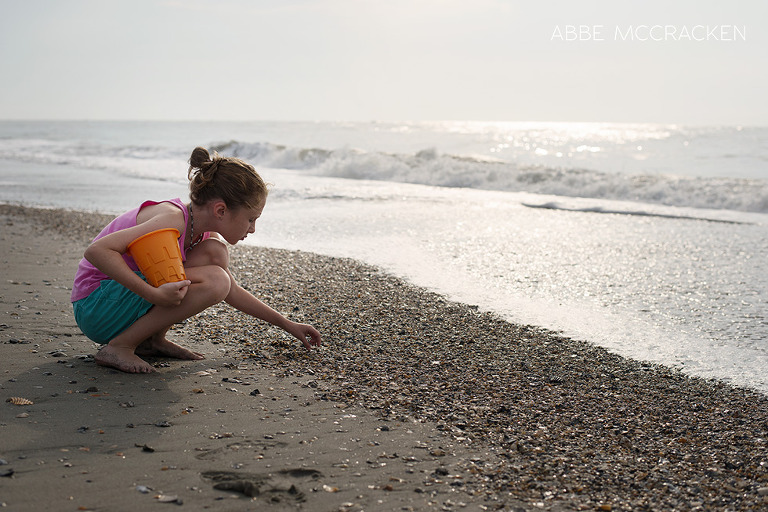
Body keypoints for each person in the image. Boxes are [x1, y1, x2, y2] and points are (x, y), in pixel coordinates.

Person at [71, 147, 321, 373]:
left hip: (118, 303)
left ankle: (152, 341)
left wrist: (287, 324)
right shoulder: (173, 219)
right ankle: (120, 347)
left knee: (215, 254)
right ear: (221, 210)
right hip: (95, 306)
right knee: (215, 279)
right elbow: (97, 251)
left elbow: (230, 289)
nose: (253, 228)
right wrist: (152, 294)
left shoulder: (203, 232)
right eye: (251, 219)